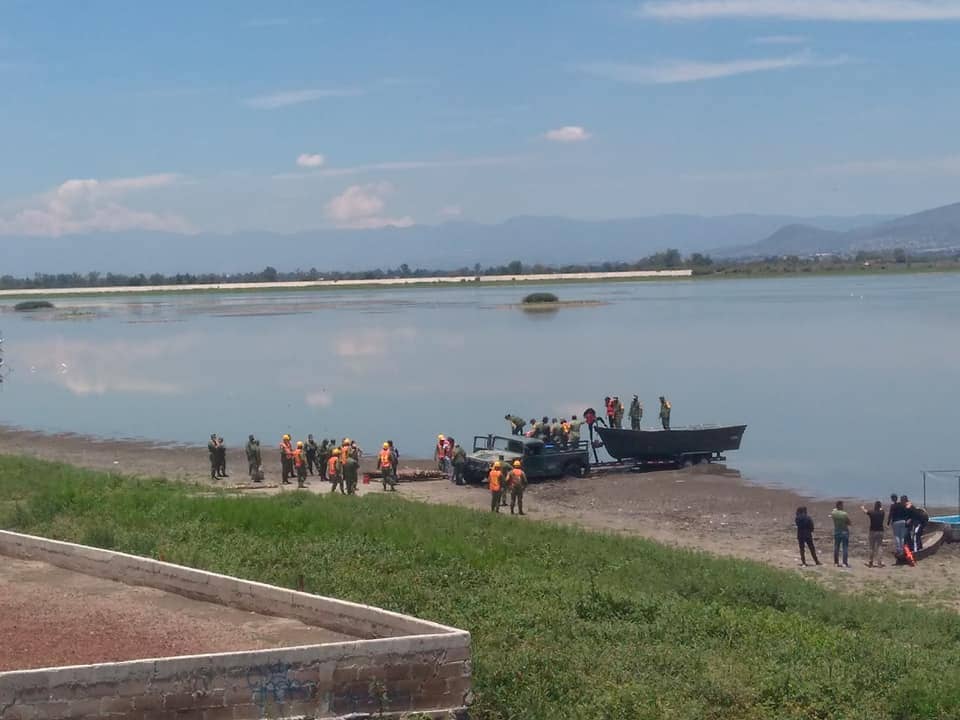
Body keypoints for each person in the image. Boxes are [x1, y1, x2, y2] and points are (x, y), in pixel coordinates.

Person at [861, 501, 885, 568]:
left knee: (872, 547)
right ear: (880, 506)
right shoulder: (882, 513)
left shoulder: (872, 512)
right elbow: (881, 509)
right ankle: (879, 563)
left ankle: (871, 562)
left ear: (875, 506)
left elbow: (865, 511)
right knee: (879, 547)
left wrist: (862, 508)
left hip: (872, 531)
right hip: (880, 531)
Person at [830, 500, 851, 568]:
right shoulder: (844, 514)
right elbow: (849, 523)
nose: (843, 506)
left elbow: (833, 512)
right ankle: (844, 562)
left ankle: (836, 562)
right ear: (840, 506)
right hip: (844, 531)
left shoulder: (833, 513)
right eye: (842, 505)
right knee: (845, 547)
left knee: (836, 547)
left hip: (837, 530)